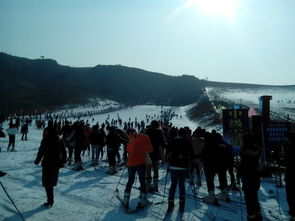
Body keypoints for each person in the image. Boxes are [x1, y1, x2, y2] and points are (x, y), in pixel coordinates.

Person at [34, 124, 66, 207]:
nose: (46, 132)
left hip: (48, 162)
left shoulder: (46, 139)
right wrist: (63, 161)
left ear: (49, 131)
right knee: (51, 181)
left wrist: (37, 161)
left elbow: (41, 151)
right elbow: (63, 151)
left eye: (47, 130)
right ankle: (50, 200)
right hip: (56, 163)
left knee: (47, 182)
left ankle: (50, 200)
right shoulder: (59, 139)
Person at [122, 128, 153, 209]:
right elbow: (150, 149)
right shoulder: (144, 138)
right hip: (140, 162)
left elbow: (128, 149)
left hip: (131, 163)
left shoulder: (131, 140)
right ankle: (143, 200)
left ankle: (126, 198)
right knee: (142, 180)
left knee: (130, 180)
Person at [165, 128, 193, 213]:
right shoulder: (188, 143)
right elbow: (191, 155)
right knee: (181, 185)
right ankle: (182, 204)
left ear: (178, 133)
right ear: (185, 134)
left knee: (173, 184)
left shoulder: (172, 141)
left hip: (173, 166)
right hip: (183, 167)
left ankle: (170, 202)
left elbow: (167, 154)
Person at [239, 131, 262, 221]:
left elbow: (243, 166)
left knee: (249, 197)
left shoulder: (244, 152)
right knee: (254, 196)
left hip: (247, 177)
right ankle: (257, 213)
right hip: (255, 176)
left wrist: (239, 172)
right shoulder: (257, 149)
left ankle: (251, 215)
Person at [145, 120, 166, 192]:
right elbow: (163, 143)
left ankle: (148, 185)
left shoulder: (147, 131)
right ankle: (155, 185)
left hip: (148, 153)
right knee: (155, 169)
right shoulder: (159, 132)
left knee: (148, 169)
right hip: (156, 153)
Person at [285, 129, 295, 220]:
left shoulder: (290, 149)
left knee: (291, 195)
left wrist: (275, 157)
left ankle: (293, 214)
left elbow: (284, 163)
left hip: (291, 175)